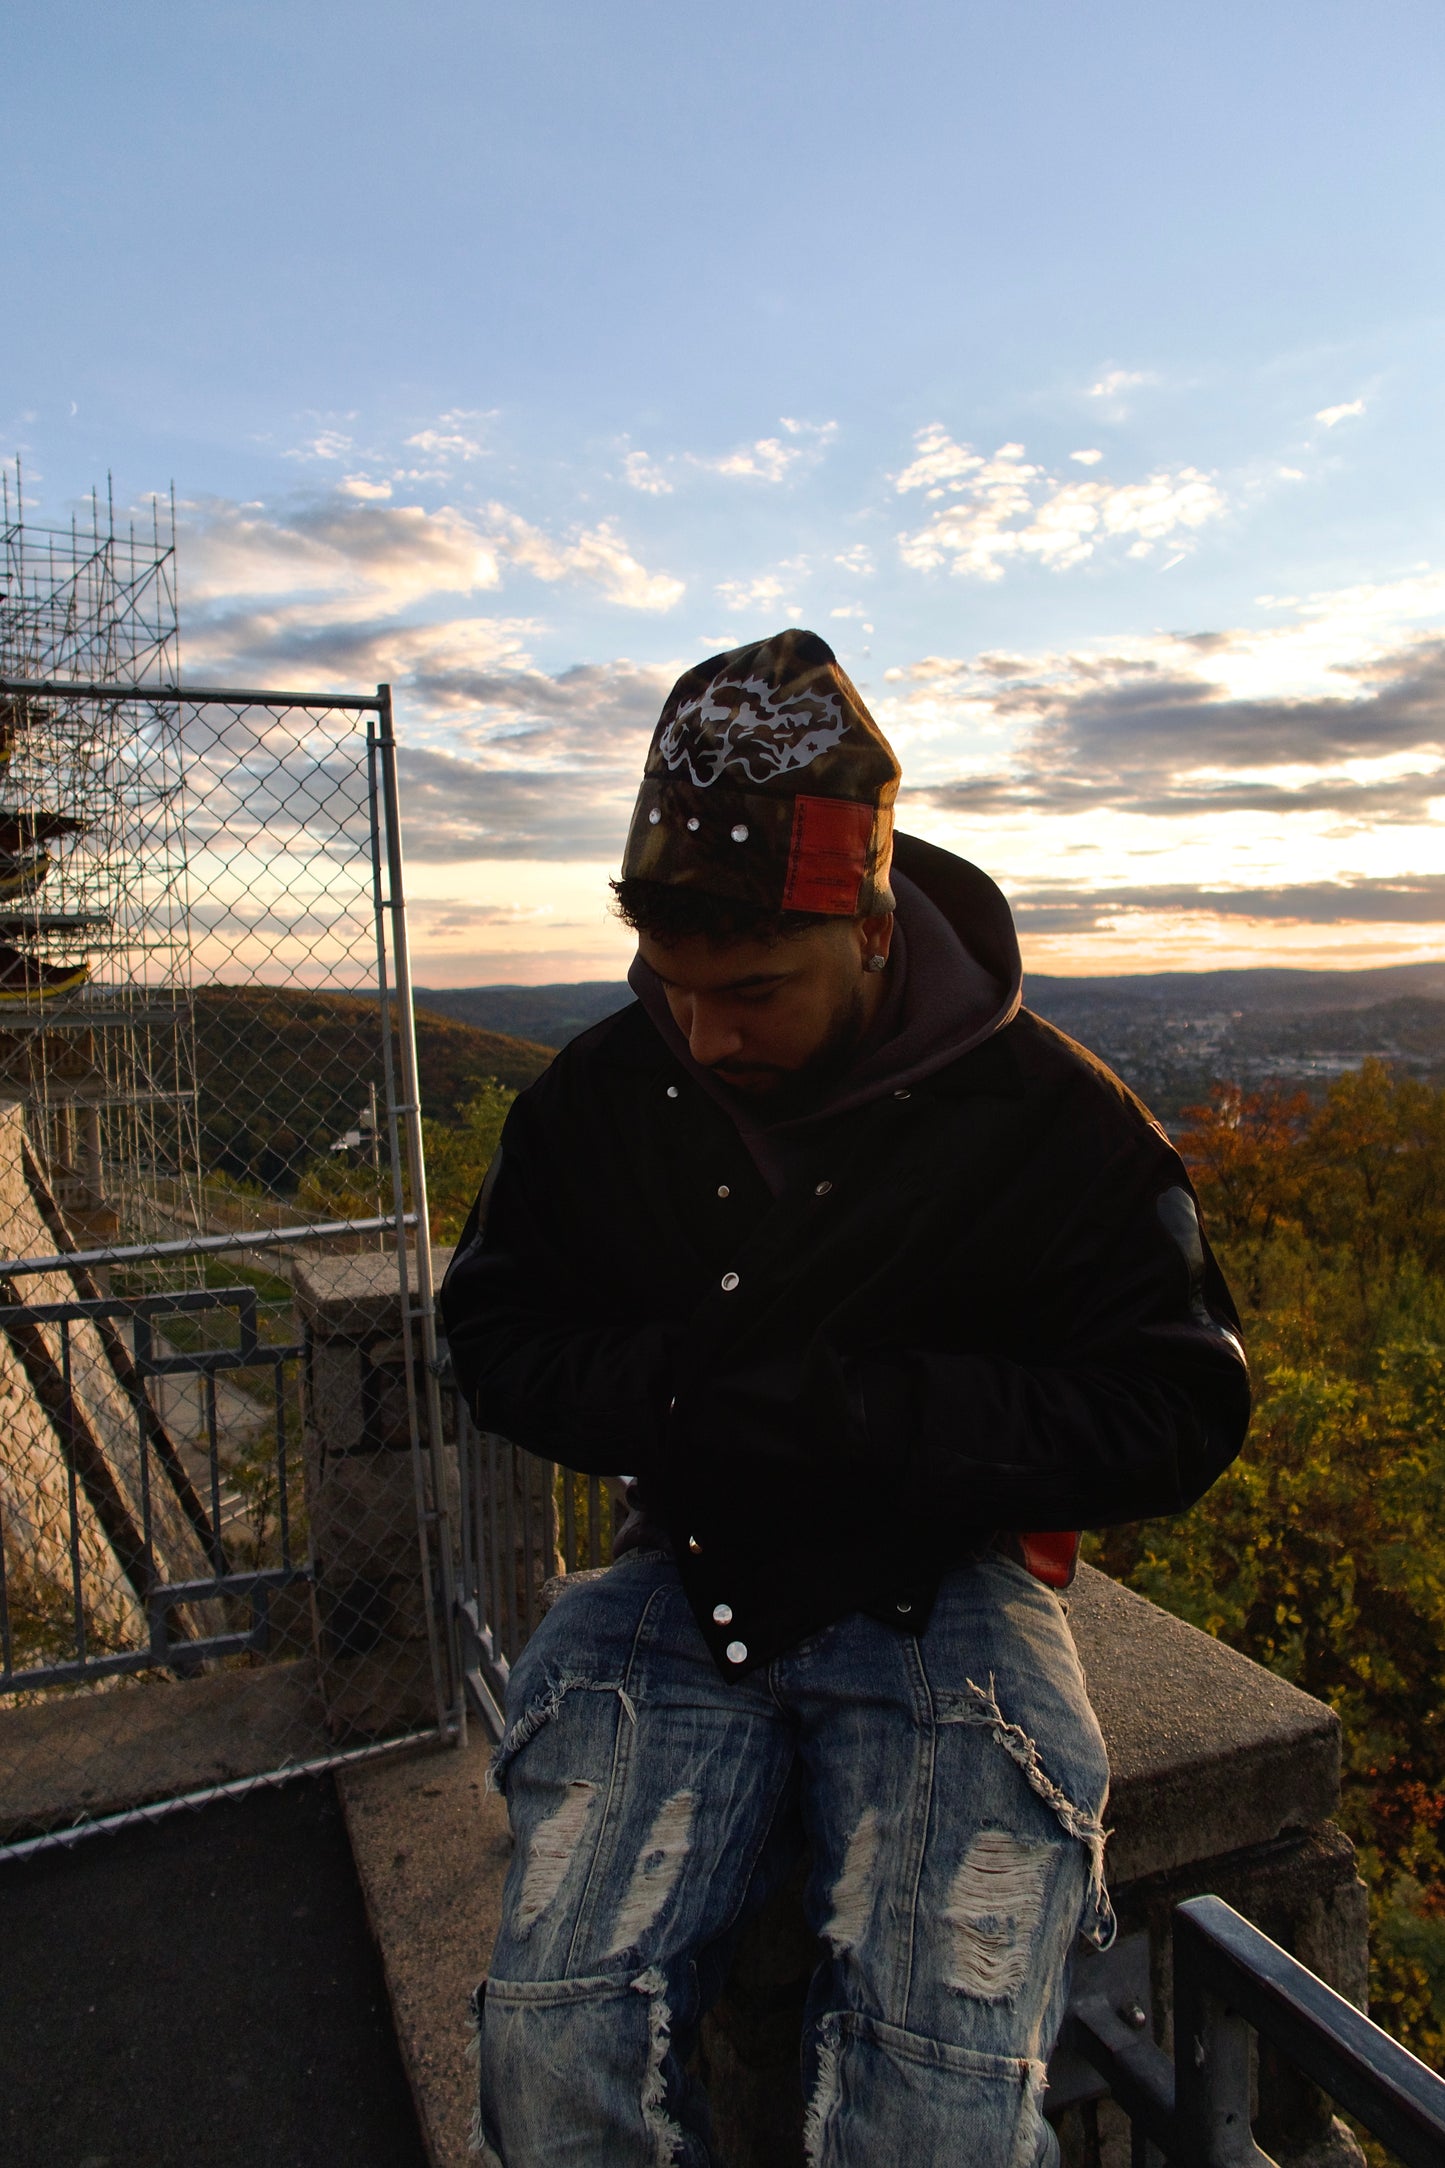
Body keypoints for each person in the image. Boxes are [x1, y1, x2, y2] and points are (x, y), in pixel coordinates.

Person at [440, 628, 1250, 2167]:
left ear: (870, 930)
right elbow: (493, 1330)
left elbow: (1179, 1403)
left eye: (751, 990)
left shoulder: (1056, 1124)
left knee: (940, 2102)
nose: (705, 1033)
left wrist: (876, 1419)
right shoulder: (601, 1097)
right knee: (548, 2048)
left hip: (946, 1591)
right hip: (678, 1577)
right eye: (672, 988)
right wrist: (686, 1399)